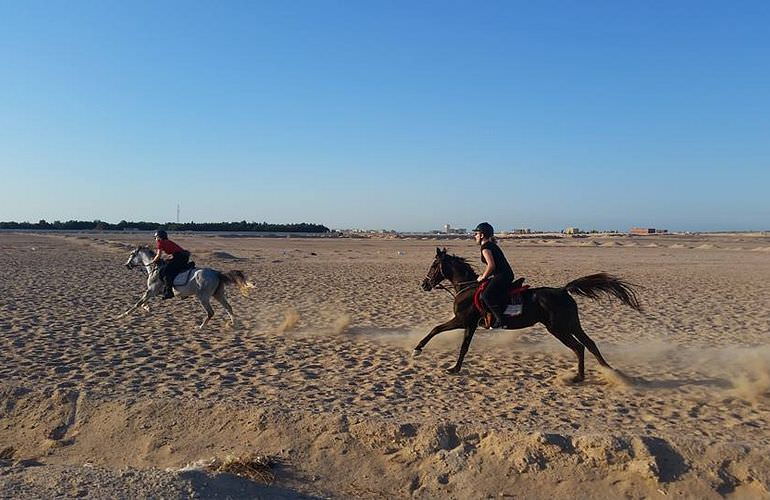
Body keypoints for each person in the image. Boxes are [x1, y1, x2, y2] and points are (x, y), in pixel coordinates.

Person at [473, 222, 514, 328]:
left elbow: (491, 266)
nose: (475, 236)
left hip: (503, 276)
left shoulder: (486, 248)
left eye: (476, 234)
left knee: (486, 295)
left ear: (482, 235)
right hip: (502, 274)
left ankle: (501, 320)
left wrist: (483, 277)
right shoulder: (490, 245)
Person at [150, 230, 190, 299]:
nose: (155, 239)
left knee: (165, 271)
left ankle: (169, 292)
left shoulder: (160, 242)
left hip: (179, 258)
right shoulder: (167, 242)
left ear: (159, 237)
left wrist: (153, 261)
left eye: (155, 237)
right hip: (182, 257)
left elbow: (158, 255)